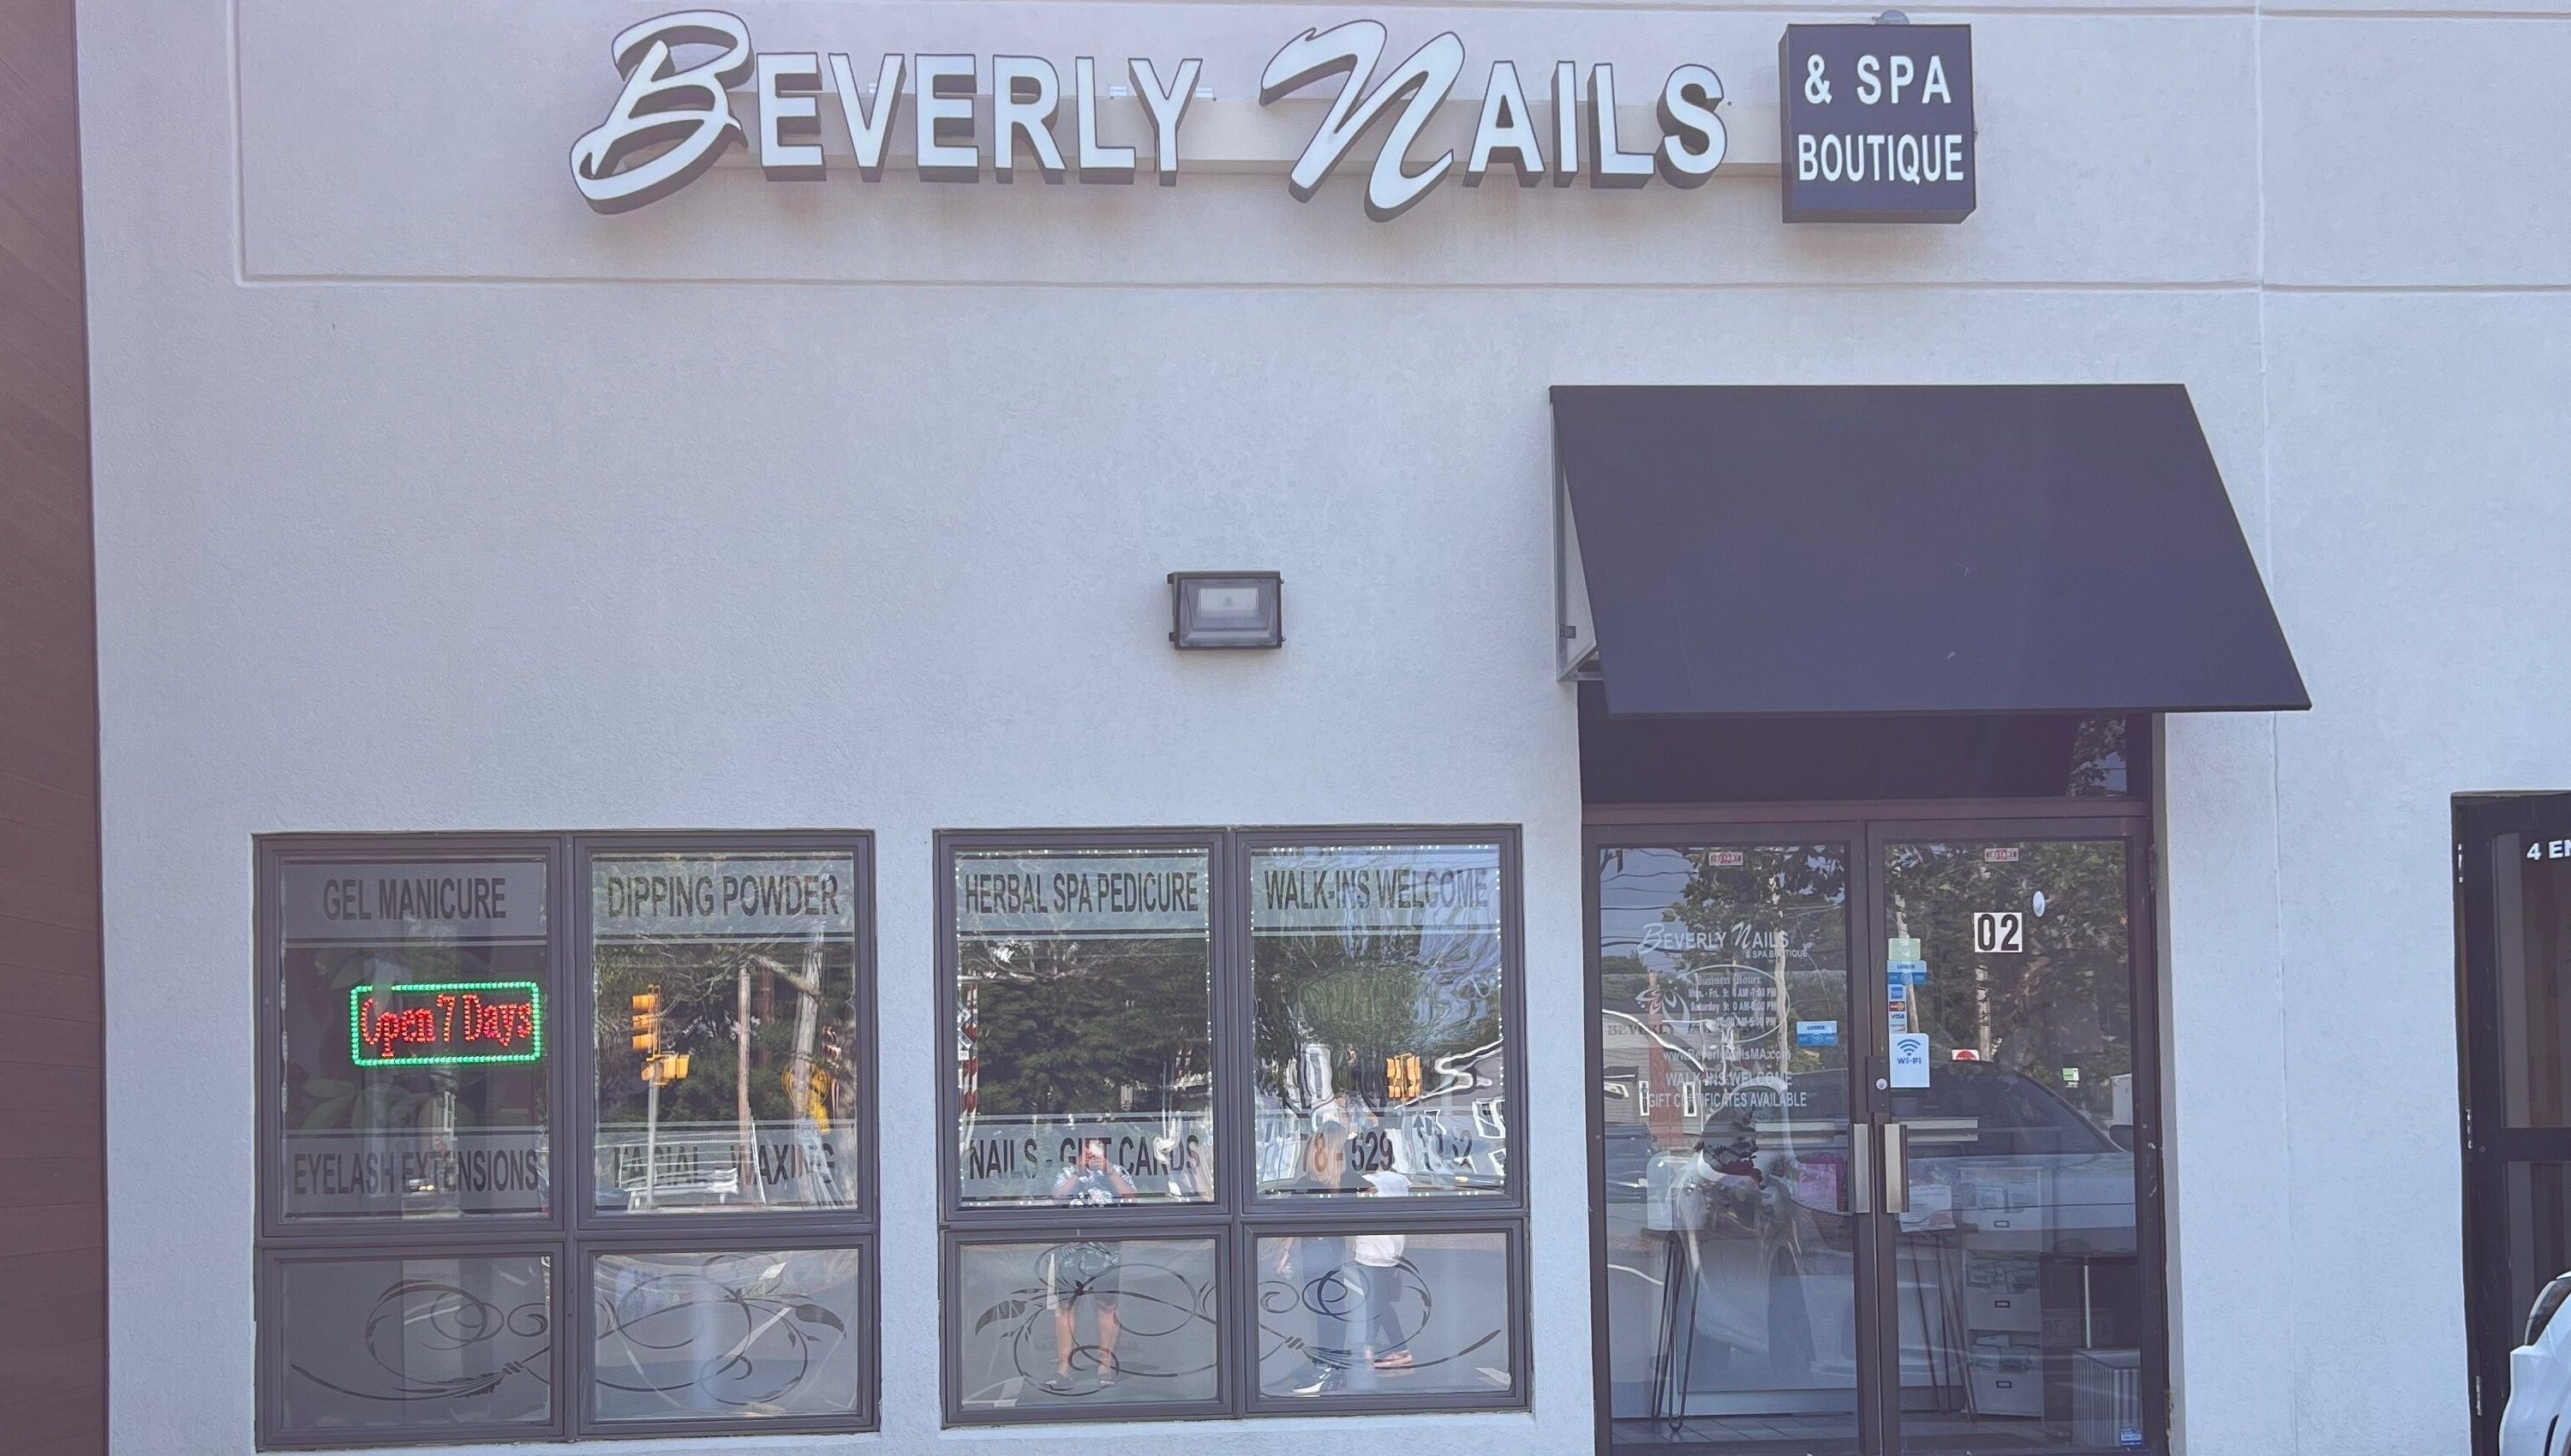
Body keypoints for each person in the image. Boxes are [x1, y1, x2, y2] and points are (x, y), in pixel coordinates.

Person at [1044, 1138, 1135, 1393]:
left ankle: (1105, 1366)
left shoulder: (1117, 1172)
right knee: (1066, 1308)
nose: (1092, 1154)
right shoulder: (1068, 1172)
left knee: (1107, 1307)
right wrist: (1078, 1171)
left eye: (1097, 1149)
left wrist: (1108, 1170)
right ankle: (1064, 1369)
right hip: (1071, 1252)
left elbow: (1131, 1198)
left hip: (1107, 1253)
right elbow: (1058, 1197)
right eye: (1088, 1149)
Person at [1350, 1167, 1414, 1370]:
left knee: (1376, 1303)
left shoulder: (1363, 1182)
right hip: (1393, 1248)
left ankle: (1394, 1349)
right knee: (1379, 1301)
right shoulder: (1400, 1180)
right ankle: (1384, 1347)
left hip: (1371, 1249)